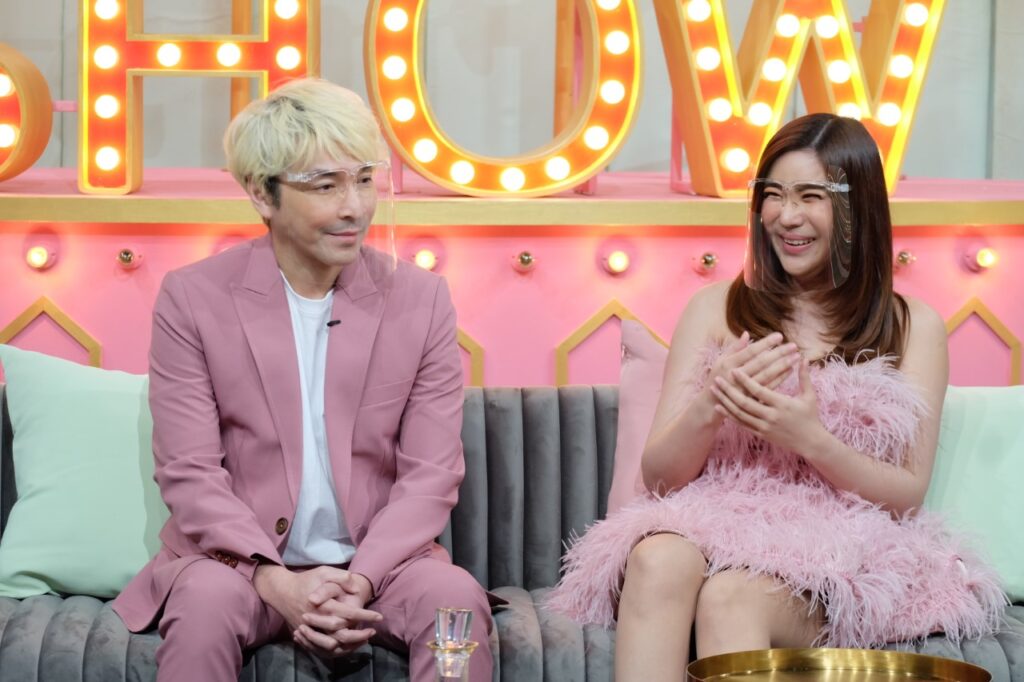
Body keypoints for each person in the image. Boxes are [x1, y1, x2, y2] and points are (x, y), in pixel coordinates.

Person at [546, 113, 1005, 681]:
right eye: (774, 195)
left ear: (856, 209)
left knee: (731, 596)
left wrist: (810, 439)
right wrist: (710, 406)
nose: (787, 216)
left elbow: (905, 495)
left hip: (842, 554)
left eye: (811, 196)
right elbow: (659, 478)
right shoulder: (715, 310)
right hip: (717, 519)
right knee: (655, 558)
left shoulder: (913, 326)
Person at [111, 78, 494, 682]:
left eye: (363, 179)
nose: (354, 207)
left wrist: (360, 580)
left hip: (381, 567)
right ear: (261, 194)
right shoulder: (193, 299)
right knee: (204, 605)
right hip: (239, 566)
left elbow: (431, 475)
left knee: (455, 602)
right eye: (326, 185)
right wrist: (277, 583)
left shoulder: (422, 301)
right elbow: (189, 472)